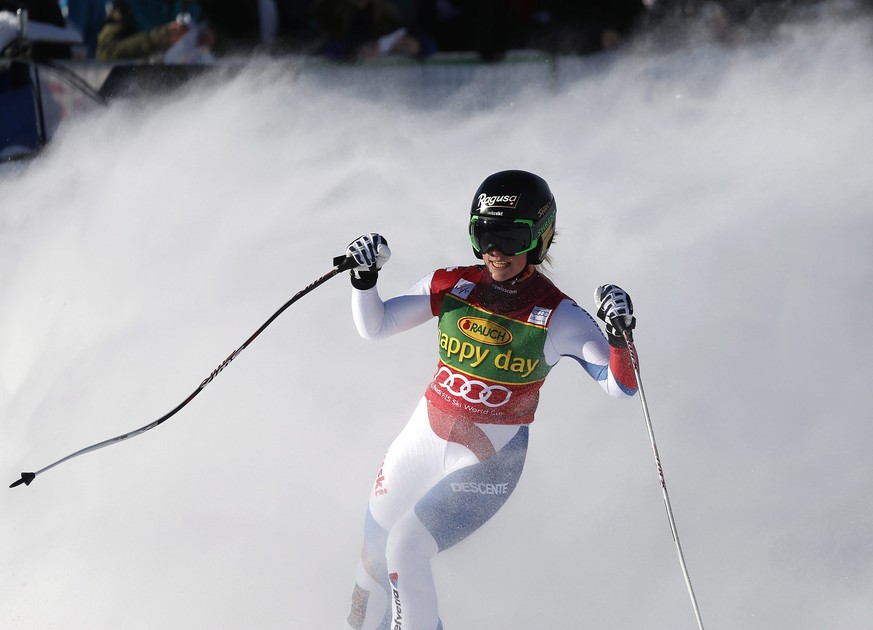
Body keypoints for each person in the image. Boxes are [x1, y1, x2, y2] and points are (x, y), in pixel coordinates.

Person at [339, 169, 639, 630]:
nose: (494, 251)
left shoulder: (557, 315)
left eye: (509, 237)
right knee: (372, 562)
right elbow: (375, 326)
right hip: (421, 438)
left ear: (540, 239)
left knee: (405, 549)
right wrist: (364, 278)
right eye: (484, 235)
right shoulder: (452, 284)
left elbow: (620, 386)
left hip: (488, 462)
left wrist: (619, 337)